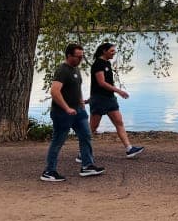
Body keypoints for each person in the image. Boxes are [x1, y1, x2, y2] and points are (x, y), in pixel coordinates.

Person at [41, 43, 105, 182]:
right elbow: (54, 91)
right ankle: (49, 171)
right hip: (62, 113)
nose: (81, 59)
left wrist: (81, 101)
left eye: (82, 56)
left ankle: (87, 166)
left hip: (79, 111)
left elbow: (76, 87)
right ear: (69, 55)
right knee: (58, 141)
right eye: (78, 56)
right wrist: (66, 108)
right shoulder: (62, 70)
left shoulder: (76, 69)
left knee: (86, 136)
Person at [87, 42, 144, 159]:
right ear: (104, 51)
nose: (114, 53)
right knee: (93, 127)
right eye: (112, 51)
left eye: (114, 51)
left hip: (109, 99)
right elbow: (101, 83)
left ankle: (129, 149)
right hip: (99, 100)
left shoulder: (107, 63)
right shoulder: (98, 64)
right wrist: (119, 91)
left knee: (119, 122)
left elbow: (101, 84)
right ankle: (83, 153)